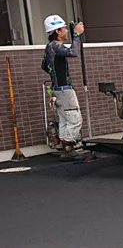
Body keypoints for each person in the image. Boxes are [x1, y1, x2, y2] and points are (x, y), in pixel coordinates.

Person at [41, 15, 85, 157]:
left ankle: (65, 149)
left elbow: (44, 66)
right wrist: (76, 34)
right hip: (64, 89)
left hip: (57, 89)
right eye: (64, 28)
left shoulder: (49, 47)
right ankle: (68, 145)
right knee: (75, 119)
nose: (66, 30)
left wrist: (54, 72)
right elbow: (74, 52)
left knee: (65, 119)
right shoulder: (55, 46)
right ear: (58, 31)